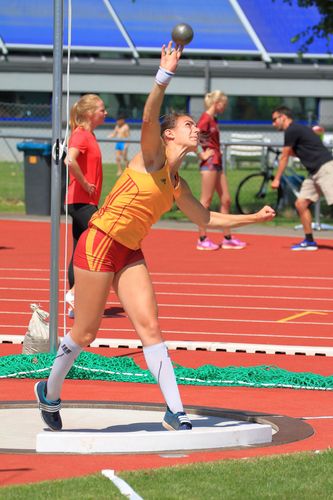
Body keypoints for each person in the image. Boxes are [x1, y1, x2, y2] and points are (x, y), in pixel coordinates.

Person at [34, 41, 275, 433]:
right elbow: (148, 116)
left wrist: (254, 218)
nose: (194, 129)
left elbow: (206, 217)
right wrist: (164, 76)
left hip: (128, 251)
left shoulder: (176, 181)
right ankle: (50, 388)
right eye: (186, 126)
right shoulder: (151, 157)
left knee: (150, 327)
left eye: (194, 126)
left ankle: (175, 410)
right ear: (167, 135)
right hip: (98, 243)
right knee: (87, 332)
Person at [65, 94, 107, 317]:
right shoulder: (81, 134)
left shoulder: (89, 134)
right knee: (104, 242)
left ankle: (76, 302)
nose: (106, 113)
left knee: (80, 249)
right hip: (81, 201)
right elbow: (69, 160)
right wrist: (84, 183)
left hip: (84, 201)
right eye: (102, 109)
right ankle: (76, 293)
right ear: (90, 113)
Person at [271, 106, 333, 251]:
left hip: (326, 169)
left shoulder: (292, 130)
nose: (273, 124)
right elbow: (296, 151)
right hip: (314, 172)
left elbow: (285, 156)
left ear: (283, 117)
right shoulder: (296, 130)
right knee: (301, 204)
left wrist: (277, 179)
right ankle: (309, 241)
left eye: (275, 120)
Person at [196, 91, 247, 251]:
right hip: (209, 163)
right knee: (206, 201)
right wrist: (201, 153)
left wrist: (216, 149)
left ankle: (227, 238)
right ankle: (202, 238)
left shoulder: (213, 119)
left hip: (217, 162)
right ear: (216, 103)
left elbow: (207, 138)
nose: (224, 107)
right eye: (223, 104)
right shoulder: (205, 118)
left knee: (226, 200)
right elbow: (193, 137)